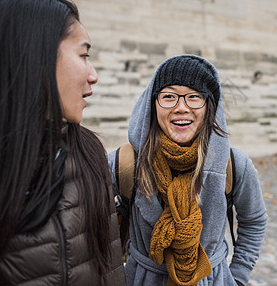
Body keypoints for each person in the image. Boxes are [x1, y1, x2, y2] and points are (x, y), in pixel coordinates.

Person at [0, 0, 126, 285]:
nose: (94, 75)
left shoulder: (88, 150)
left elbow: (111, 268)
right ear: (34, 55)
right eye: (83, 55)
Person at [108, 54, 267, 285]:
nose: (181, 107)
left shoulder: (235, 164)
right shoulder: (124, 162)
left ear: (209, 106)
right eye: (169, 96)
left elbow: (254, 221)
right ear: (153, 103)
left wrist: (238, 276)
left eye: (194, 97)